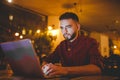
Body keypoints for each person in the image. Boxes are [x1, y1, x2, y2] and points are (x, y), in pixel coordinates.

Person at [42, 12, 104, 78]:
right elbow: (47, 61)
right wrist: (46, 69)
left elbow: (97, 69)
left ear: (78, 27)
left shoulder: (90, 42)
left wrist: (64, 70)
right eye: (62, 28)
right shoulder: (62, 45)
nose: (64, 31)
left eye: (68, 27)